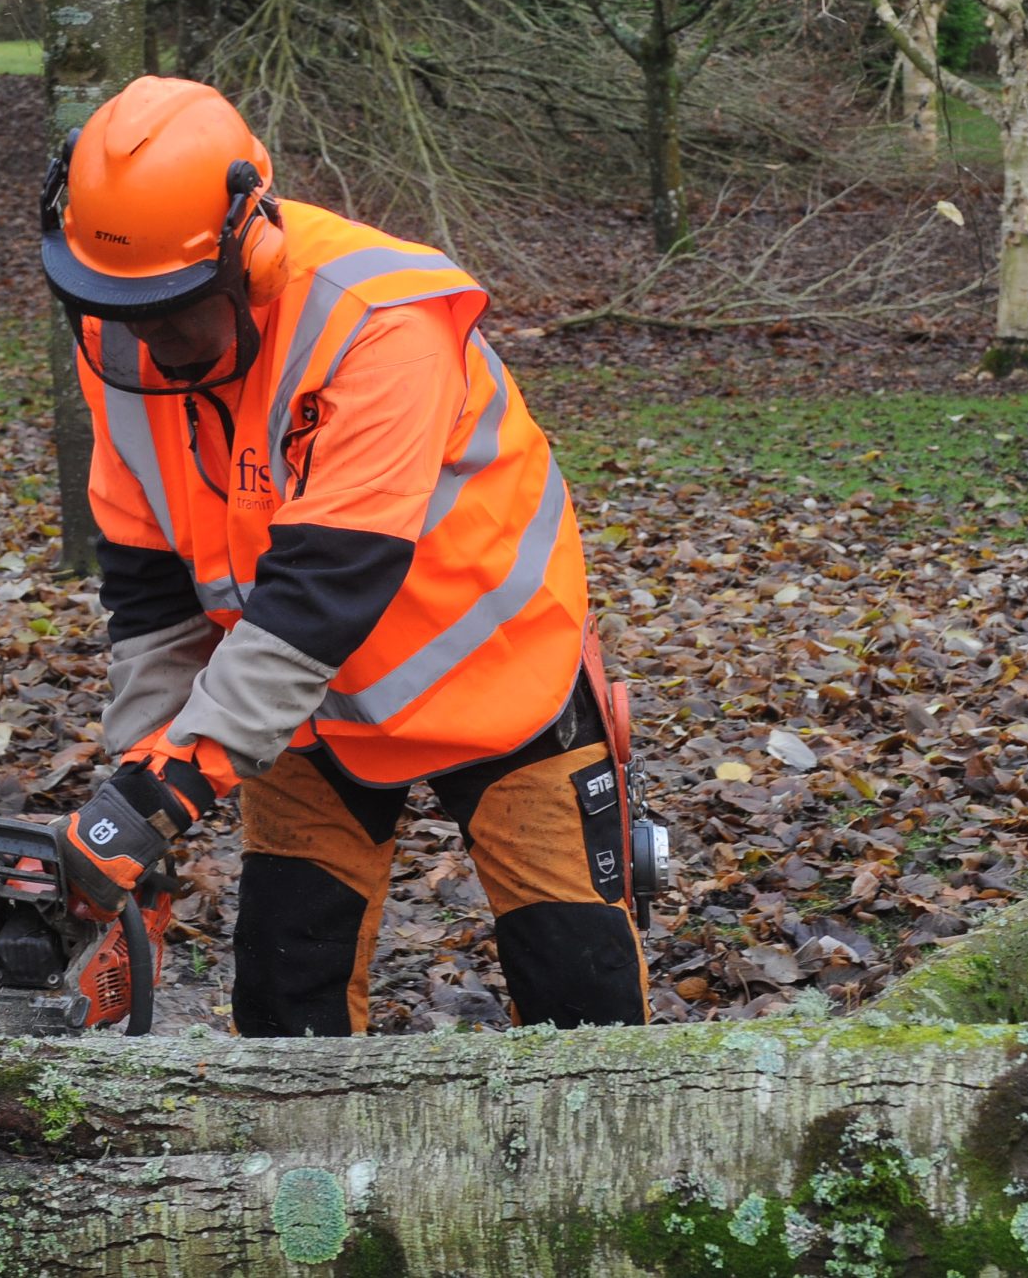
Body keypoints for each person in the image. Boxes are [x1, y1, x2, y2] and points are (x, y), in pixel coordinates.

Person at [39, 74, 647, 1035]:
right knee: (287, 1000)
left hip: (496, 669)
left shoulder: (377, 322)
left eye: (177, 310)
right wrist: (136, 799)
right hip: (300, 705)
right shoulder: (121, 342)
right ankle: (300, 1185)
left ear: (255, 252)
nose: (150, 341)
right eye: (120, 308)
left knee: (583, 994)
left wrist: (173, 782)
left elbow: (327, 585)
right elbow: (153, 591)